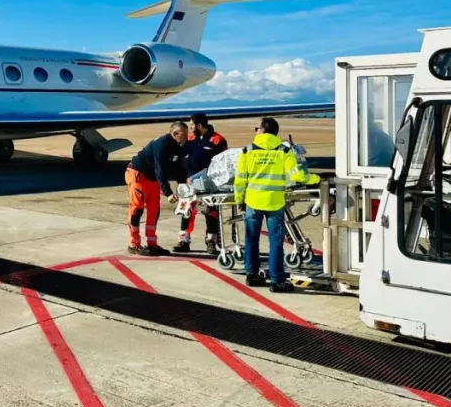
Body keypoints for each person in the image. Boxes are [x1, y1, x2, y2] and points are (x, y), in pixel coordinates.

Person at [234, 117, 320, 292]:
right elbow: (297, 176)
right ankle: (277, 280)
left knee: (251, 239)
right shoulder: (284, 151)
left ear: (263, 130)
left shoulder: (247, 151)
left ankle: (252, 275)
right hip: (274, 203)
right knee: (275, 243)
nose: (255, 130)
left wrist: (239, 199)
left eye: (257, 128)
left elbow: (240, 179)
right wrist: (316, 178)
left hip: (253, 201)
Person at [125, 121, 188, 256]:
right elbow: (160, 169)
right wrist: (168, 192)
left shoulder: (177, 147)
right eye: (183, 135)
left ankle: (151, 244)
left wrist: (183, 185)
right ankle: (134, 244)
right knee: (137, 209)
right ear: (175, 133)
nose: (186, 137)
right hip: (138, 175)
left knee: (154, 209)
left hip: (152, 178)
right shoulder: (162, 144)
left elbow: (178, 168)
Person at [174, 113, 228, 254]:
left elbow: (223, 164)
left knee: (211, 212)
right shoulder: (191, 139)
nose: (190, 127)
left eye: (192, 124)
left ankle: (211, 241)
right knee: (186, 211)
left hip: (209, 183)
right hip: (190, 182)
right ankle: (184, 240)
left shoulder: (218, 140)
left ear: (199, 125)